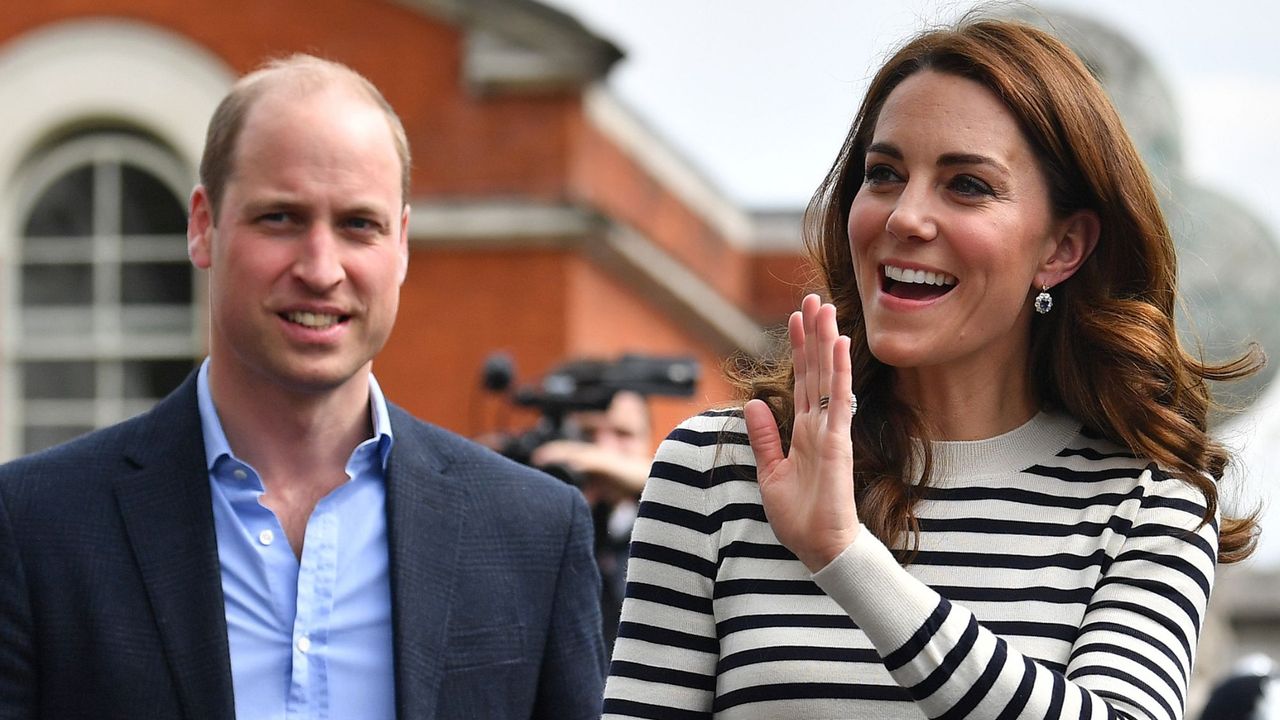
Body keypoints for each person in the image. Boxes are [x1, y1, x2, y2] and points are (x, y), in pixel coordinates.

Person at [602, 15, 1260, 720]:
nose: (905, 216)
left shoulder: (1147, 503)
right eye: (884, 175)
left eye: (967, 185)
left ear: (1062, 247)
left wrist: (847, 559)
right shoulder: (719, 469)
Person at [0, 55, 606, 719]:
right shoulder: (36, 526)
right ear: (203, 225)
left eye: (357, 225)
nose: (321, 269)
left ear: (400, 243)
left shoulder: (534, 534)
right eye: (281, 218)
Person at [531, 390, 654, 646]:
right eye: (589, 435)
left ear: (650, 441)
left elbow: (666, 478)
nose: (605, 447)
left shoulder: (662, 510)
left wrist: (589, 460)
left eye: (623, 434)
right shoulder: (559, 511)